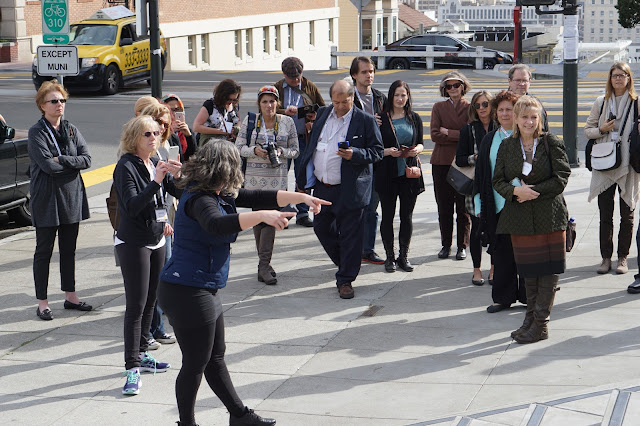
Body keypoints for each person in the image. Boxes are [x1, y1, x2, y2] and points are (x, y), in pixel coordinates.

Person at [157, 140, 329, 426]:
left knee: (214, 358)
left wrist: (300, 197)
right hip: (185, 290)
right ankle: (187, 424)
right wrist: (262, 217)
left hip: (203, 286)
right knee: (195, 364)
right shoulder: (201, 199)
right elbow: (216, 224)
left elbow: (259, 195)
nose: (236, 173)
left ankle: (239, 416)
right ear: (222, 169)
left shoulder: (217, 192)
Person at [296, 79, 384, 299]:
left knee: (351, 236)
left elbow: (377, 152)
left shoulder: (364, 120)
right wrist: (304, 179)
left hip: (351, 188)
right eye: (336, 102)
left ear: (352, 97)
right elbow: (314, 144)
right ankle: (347, 262)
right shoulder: (324, 113)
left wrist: (355, 154)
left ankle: (345, 279)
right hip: (323, 187)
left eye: (344, 102)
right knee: (321, 228)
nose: (340, 106)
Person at [113, 115, 182, 395]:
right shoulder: (126, 165)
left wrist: (175, 176)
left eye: (157, 133)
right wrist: (156, 181)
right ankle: (131, 368)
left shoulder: (153, 162)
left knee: (153, 300)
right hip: (133, 241)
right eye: (147, 134)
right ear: (134, 138)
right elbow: (131, 206)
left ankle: (143, 354)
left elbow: (161, 199)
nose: (154, 138)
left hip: (156, 238)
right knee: (136, 305)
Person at [493, 95, 570, 344]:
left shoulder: (551, 142)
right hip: (520, 218)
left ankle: (541, 325)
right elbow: (498, 181)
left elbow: (561, 177)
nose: (529, 121)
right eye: (524, 117)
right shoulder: (507, 146)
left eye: (533, 117)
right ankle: (529, 320)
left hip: (550, 216)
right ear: (515, 118)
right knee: (529, 272)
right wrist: (516, 192)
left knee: (548, 272)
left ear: (540, 118)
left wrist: (532, 191)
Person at [28, 79, 92, 321]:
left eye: (62, 100)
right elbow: (46, 166)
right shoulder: (37, 132)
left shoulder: (71, 129)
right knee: (43, 251)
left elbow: (86, 159)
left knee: (69, 250)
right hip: (47, 198)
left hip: (70, 196)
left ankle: (70, 296)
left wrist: (62, 159)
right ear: (42, 106)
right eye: (54, 101)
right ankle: (42, 302)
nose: (59, 105)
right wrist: (68, 163)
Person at [236, 86, 299, 285]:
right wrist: (254, 150)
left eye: (272, 101)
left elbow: (295, 151)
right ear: (259, 104)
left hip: (277, 181)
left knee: (270, 220)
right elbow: (238, 148)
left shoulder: (287, 122)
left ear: (277, 103)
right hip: (254, 180)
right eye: (265, 101)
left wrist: (280, 152)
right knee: (259, 220)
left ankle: (263, 265)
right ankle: (264, 265)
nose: (269, 105)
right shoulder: (251, 121)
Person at [584, 62, 640, 276]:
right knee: (605, 215)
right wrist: (602, 129)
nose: (618, 78)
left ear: (628, 78)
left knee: (628, 215)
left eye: (622, 75)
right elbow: (588, 131)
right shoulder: (601, 102)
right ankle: (606, 258)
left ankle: (622, 257)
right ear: (610, 78)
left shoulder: (636, 103)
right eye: (615, 75)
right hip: (604, 162)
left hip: (629, 163)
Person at [473, 90, 525, 313]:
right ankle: (502, 298)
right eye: (501, 109)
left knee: (525, 252)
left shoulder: (527, 135)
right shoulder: (489, 139)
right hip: (496, 204)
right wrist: (478, 205)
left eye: (509, 109)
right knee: (501, 253)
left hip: (523, 203)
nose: (505, 114)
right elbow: (481, 176)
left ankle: (528, 296)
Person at [139, 102, 181, 349]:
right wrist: (161, 219)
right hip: (140, 233)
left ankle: (157, 329)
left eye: (164, 126)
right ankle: (146, 336)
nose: (160, 131)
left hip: (160, 225)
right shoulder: (133, 162)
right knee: (145, 289)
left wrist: (178, 175)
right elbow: (138, 201)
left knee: (160, 280)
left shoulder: (159, 154)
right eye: (154, 128)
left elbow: (169, 190)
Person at [376, 80, 424, 272]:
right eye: (396, 95)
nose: (400, 98)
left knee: (407, 216)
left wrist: (416, 151)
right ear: (390, 96)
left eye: (403, 95)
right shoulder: (381, 119)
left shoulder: (414, 118)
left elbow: (421, 142)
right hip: (387, 172)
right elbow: (375, 148)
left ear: (408, 96)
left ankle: (403, 256)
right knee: (387, 216)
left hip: (409, 173)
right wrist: (388, 152)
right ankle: (389, 257)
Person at [274, 56, 325, 227]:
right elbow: (266, 108)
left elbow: (322, 109)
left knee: (303, 175)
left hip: (304, 138)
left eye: (298, 77)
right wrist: (283, 111)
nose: (296, 81)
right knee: (280, 176)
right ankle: (284, 212)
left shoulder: (309, 86)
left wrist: (311, 114)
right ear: (284, 75)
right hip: (282, 140)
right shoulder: (277, 88)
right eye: (292, 78)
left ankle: (303, 212)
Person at [430, 71, 471, 260]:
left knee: (462, 208)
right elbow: (435, 135)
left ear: (463, 86)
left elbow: (470, 135)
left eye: (456, 85)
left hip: (463, 163)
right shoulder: (438, 107)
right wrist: (458, 134)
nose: (453, 89)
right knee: (444, 207)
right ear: (444, 89)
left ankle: (462, 245)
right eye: (449, 86)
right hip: (441, 163)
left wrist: (449, 132)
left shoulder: (471, 107)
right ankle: (445, 244)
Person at [457, 91, 496, 286]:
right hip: (475, 186)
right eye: (478, 105)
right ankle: (477, 269)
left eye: (485, 104)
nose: (481, 108)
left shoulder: (500, 127)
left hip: (497, 185)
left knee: (496, 228)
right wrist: (475, 158)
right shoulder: (468, 130)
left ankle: (494, 268)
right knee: (476, 228)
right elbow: (460, 159)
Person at [350, 56, 387, 265]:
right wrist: (367, 122)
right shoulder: (348, 97)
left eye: (371, 71)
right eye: (364, 72)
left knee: (372, 208)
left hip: (376, 161)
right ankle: (351, 248)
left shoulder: (380, 98)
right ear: (354, 75)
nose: (369, 75)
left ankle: (368, 249)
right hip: (354, 160)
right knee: (354, 209)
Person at [193, 79, 242, 145]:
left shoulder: (235, 105)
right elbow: (196, 127)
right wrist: (220, 131)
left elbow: (238, 121)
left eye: (234, 99)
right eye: (229, 99)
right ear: (222, 95)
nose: (231, 102)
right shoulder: (210, 105)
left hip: (230, 144)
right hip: (211, 144)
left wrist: (236, 129)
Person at [507, 64, 548, 132]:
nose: (521, 84)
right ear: (509, 81)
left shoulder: (536, 104)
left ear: (529, 82)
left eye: (525, 80)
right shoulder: (501, 103)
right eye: (518, 80)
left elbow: (544, 129)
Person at [163, 93, 196, 162]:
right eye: (170, 109)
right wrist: (171, 133)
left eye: (177, 109)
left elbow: (194, 155)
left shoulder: (186, 130)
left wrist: (189, 136)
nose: (174, 113)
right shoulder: (161, 130)